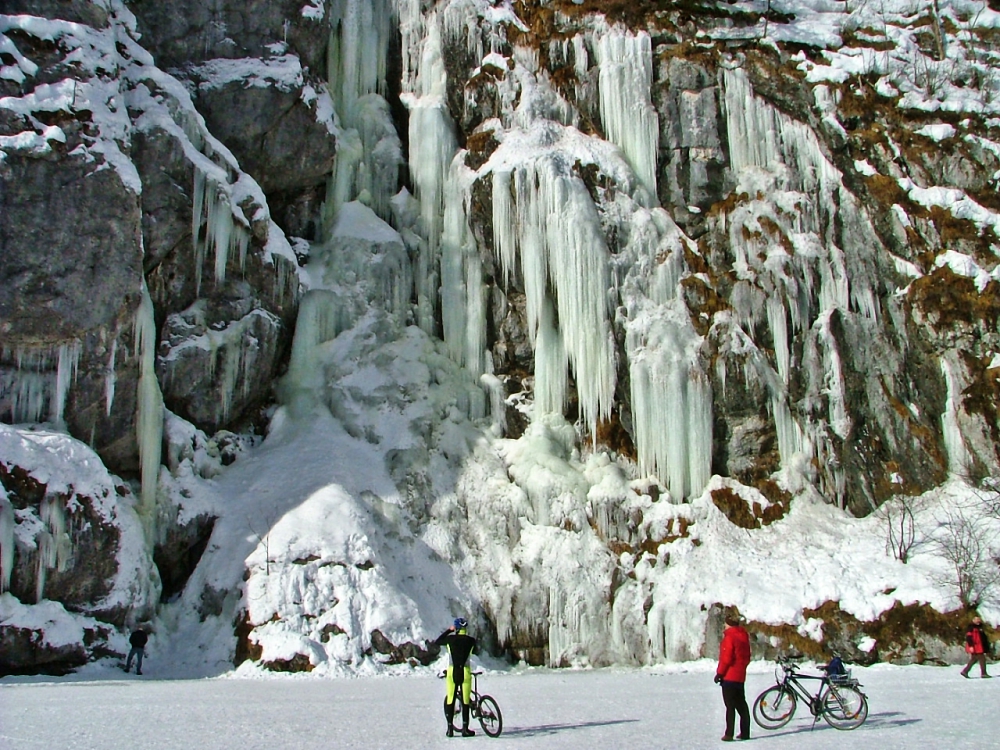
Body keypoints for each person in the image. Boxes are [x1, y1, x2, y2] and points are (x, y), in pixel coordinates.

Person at [434, 617, 478, 737]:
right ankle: (465, 729)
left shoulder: (450, 639)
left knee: (451, 699)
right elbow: (476, 651)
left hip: (452, 672)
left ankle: (450, 729)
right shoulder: (471, 641)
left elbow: (437, 642)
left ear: (456, 628)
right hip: (465, 672)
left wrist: (449, 630)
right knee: (465, 701)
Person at [715, 612, 751, 742]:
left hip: (729, 676)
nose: (724, 626)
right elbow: (747, 656)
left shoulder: (729, 638)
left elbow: (726, 658)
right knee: (741, 704)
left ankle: (729, 733)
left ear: (729, 624)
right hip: (740, 675)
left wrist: (720, 673)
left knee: (730, 706)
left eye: (725, 623)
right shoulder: (743, 636)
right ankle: (745, 732)